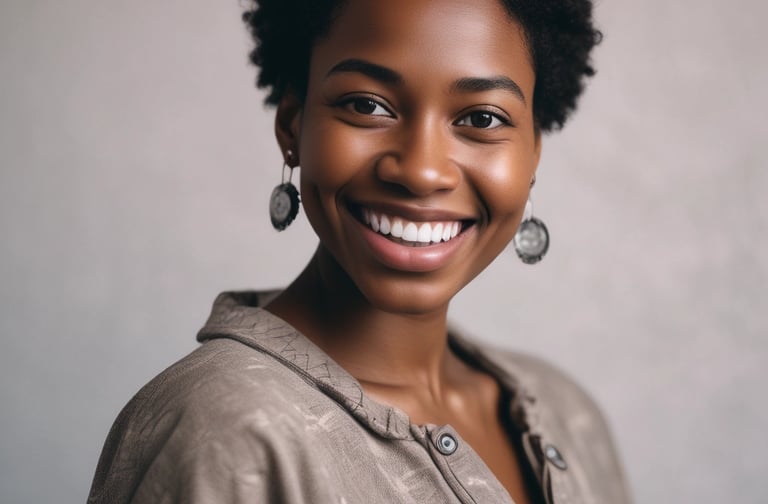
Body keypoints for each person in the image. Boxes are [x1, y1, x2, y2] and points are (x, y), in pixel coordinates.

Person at [88, 0, 631, 502]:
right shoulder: (223, 430)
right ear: (293, 126)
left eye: (481, 118)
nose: (421, 171)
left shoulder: (567, 416)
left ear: (533, 152)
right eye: (367, 105)